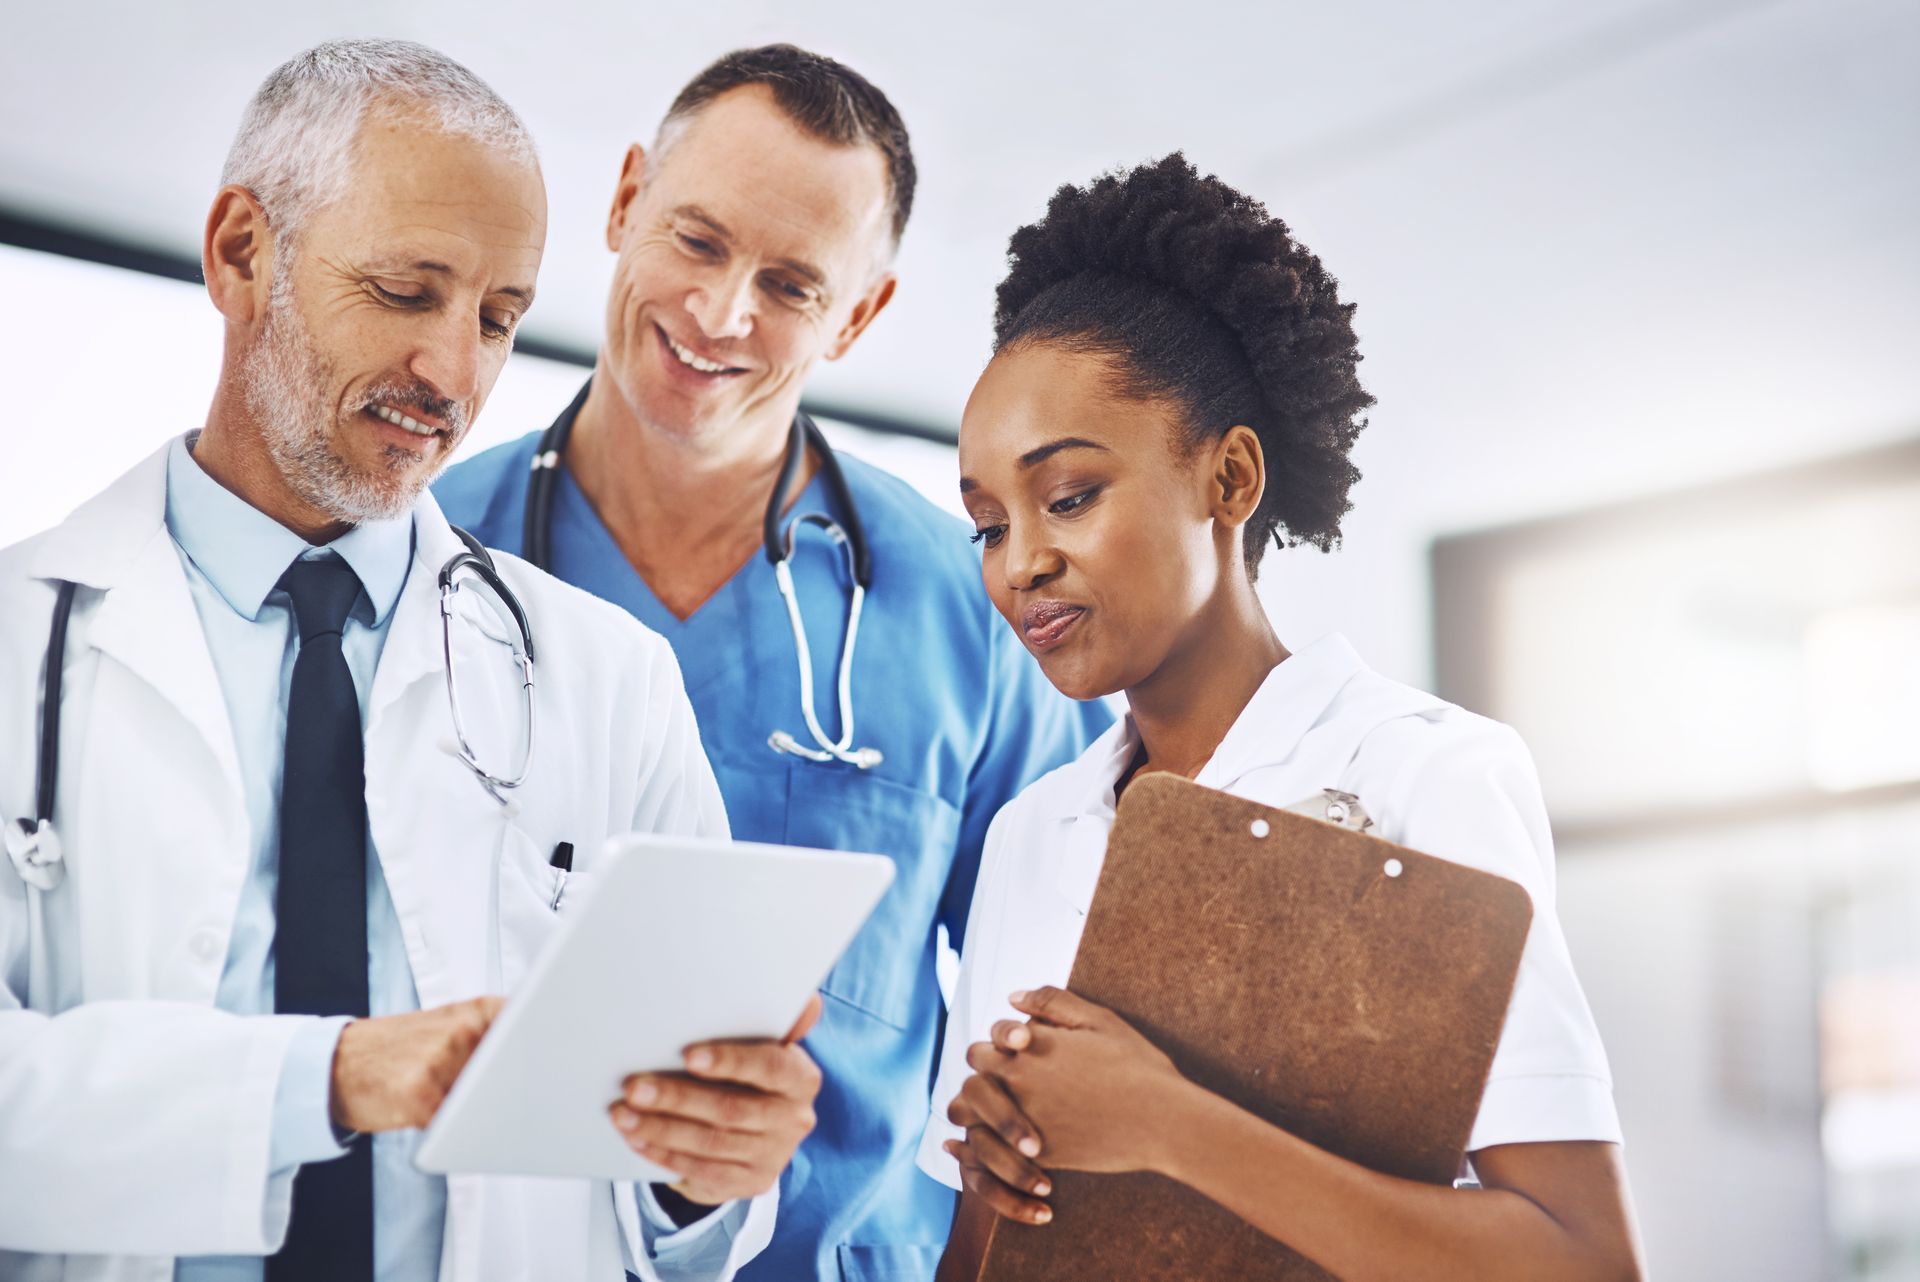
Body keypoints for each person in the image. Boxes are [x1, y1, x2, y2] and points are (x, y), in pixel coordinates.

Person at [0, 40, 819, 1282]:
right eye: (404, 292)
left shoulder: (611, 682)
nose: (453, 372)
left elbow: (674, 1214)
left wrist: (702, 1169)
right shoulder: (21, 641)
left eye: (497, 318)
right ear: (240, 254)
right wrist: (325, 1080)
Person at [433, 44, 1111, 1278]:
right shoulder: (430, 560)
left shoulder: (973, 610)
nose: (721, 313)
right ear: (626, 198)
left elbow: (1072, 1008)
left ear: (859, 314)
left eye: (792, 283)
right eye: (695, 241)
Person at [917, 155, 1648, 1282]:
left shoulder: (1426, 774)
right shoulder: (1032, 835)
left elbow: (1580, 1259)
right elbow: (978, 1257)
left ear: (1231, 479)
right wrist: (1002, 1169)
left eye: (1067, 497)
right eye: (986, 525)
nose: (1023, 563)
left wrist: (1163, 1121)